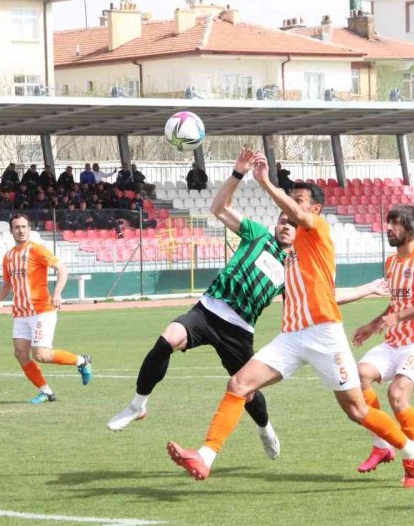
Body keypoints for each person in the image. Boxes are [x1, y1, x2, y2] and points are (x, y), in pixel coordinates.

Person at [166, 157, 414, 482]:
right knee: (239, 384)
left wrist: (265, 182)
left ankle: (411, 452)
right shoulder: (289, 252)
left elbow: (306, 235)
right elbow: (326, 290)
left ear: (315, 209)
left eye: (298, 201)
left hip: (325, 335)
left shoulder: (319, 229)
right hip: (292, 336)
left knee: (357, 410)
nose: (290, 212)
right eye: (289, 205)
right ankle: (205, 457)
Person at [107, 148, 297, 456]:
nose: (286, 226)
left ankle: (265, 428)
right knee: (167, 339)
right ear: (275, 224)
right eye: (283, 221)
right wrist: (237, 173)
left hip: (240, 331)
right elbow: (218, 208)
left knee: (247, 390)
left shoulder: (293, 268)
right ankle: (138, 405)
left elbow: (298, 307)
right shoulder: (258, 235)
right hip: (208, 311)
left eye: (293, 224)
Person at [351, 204, 414, 487]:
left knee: (397, 394)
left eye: (395, 224)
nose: (389, 229)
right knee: (358, 376)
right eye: (388, 223)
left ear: (411, 228)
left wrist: (399, 317)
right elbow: (396, 305)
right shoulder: (391, 262)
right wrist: (373, 325)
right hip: (395, 341)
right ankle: (382, 445)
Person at [0, 213, 93, 403]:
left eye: (24, 227)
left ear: (29, 229)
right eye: (17, 227)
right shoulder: (9, 256)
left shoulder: (36, 249)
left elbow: (62, 268)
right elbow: (6, 284)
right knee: (20, 353)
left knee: (41, 355)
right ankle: (46, 391)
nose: (21, 230)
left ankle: (81, 361)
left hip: (42, 310)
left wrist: (57, 292)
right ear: (11, 231)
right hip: (20, 313)